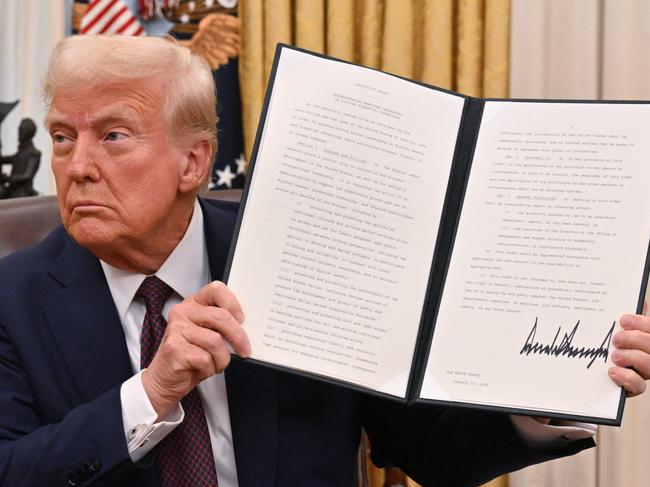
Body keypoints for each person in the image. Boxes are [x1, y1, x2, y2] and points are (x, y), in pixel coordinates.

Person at [0, 35, 647, 487]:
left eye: (112, 135)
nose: (76, 166)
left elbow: (425, 448)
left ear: (193, 160)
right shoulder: (14, 296)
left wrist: (560, 390)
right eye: (62, 136)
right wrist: (152, 391)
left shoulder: (304, 251)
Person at [0, 118, 41, 198]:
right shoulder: (21, 152)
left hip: (22, 192)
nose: (18, 133)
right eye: (19, 130)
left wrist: (9, 178)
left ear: (28, 133)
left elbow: (27, 175)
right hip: (12, 188)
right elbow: (6, 159)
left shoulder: (34, 153)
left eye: (21, 130)